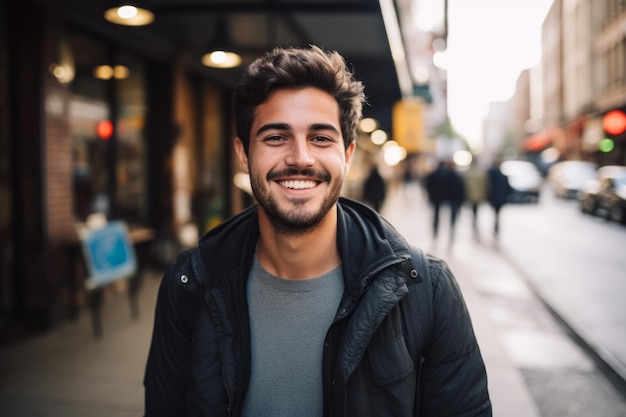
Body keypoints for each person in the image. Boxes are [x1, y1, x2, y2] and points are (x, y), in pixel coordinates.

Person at [144, 45, 491, 417]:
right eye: (276, 137)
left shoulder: (427, 291)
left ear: (348, 154)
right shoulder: (189, 284)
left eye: (321, 138)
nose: (300, 158)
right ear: (243, 153)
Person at [425, 159, 467, 248]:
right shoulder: (454, 175)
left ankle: (436, 232)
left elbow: (429, 185)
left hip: (439, 198)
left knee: (437, 216)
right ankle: (450, 233)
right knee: (451, 218)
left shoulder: (436, 174)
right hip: (451, 199)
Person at [487, 157, 513, 238]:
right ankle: (496, 225)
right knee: (497, 213)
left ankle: (496, 225)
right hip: (499, 198)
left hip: (495, 198)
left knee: (496, 212)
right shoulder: (502, 175)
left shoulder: (492, 173)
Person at [463, 157, 488, 239]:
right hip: (477, 196)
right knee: (475, 211)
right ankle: (474, 224)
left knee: (472, 211)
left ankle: (473, 224)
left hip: (470, 195)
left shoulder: (467, 172)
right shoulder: (479, 173)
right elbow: (483, 185)